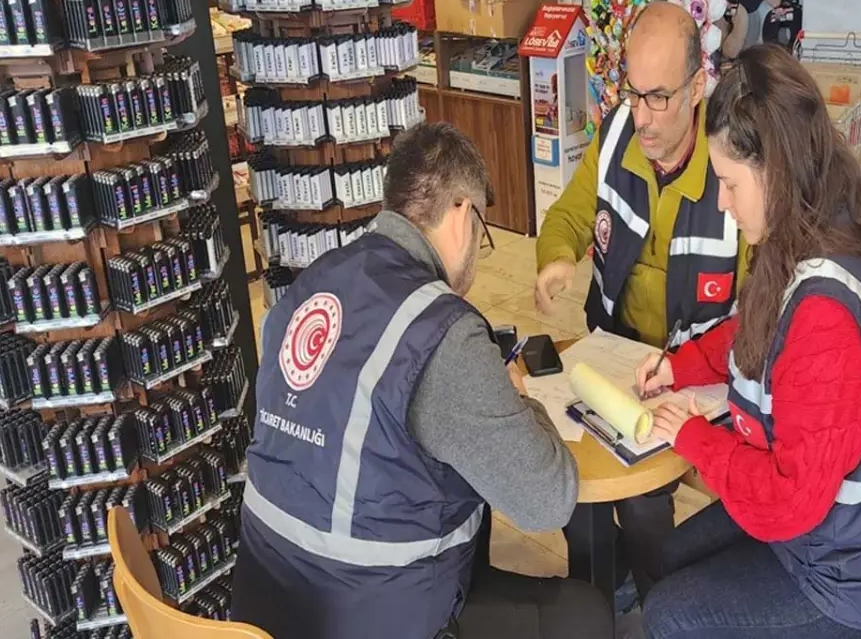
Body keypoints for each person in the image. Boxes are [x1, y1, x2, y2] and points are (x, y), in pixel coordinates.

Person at [230, 123, 612, 639]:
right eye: (482, 231)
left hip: (266, 607)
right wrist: (521, 401)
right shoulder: (440, 328)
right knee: (584, 615)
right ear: (461, 213)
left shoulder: (308, 286)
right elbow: (547, 500)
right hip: (367, 614)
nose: (478, 250)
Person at [632, 43, 861, 638]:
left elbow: (789, 501)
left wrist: (694, 438)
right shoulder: (805, 229)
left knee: (668, 616)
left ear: (777, 171)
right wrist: (680, 366)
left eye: (729, 183)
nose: (722, 201)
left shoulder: (824, 317)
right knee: (660, 563)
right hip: (822, 537)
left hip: (849, 579)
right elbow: (757, 329)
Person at [533, 1, 752, 603]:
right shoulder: (613, 138)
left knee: (642, 495)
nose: (643, 116)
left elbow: (760, 308)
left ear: (698, 86)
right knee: (573, 475)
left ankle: (653, 598)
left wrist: (692, 369)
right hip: (613, 347)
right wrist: (556, 255)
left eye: (659, 97)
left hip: (699, 371)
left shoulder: (731, 167)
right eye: (633, 93)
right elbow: (571, 215)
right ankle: (596, 592)